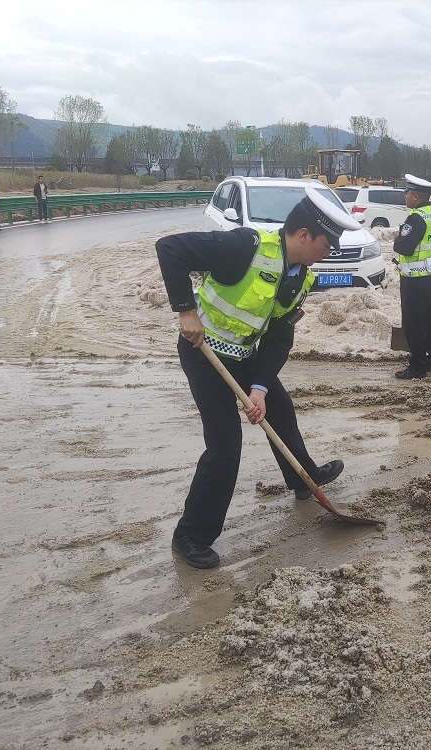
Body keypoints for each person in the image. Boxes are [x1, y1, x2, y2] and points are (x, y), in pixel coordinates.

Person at [155, 185, 361, 569]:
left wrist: (261, 388)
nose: (330, 252)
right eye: (327, 244)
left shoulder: (301, 276)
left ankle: (303, 478)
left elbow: (281, 335)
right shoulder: (245, 246)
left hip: (245, 355)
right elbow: (171, 249)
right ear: (304, 236)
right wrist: (185, 310)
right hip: (206, 353)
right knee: (225, 447)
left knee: (280, 408)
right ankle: (190, 536)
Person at [392, 174, 431, 379]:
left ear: (415, 196)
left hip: (415, 279)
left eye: (407, 193)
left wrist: (398, 239)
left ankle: (417, 367)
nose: (405, 197)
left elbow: (403, 247)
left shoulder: (415, 218)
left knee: (414, 323)